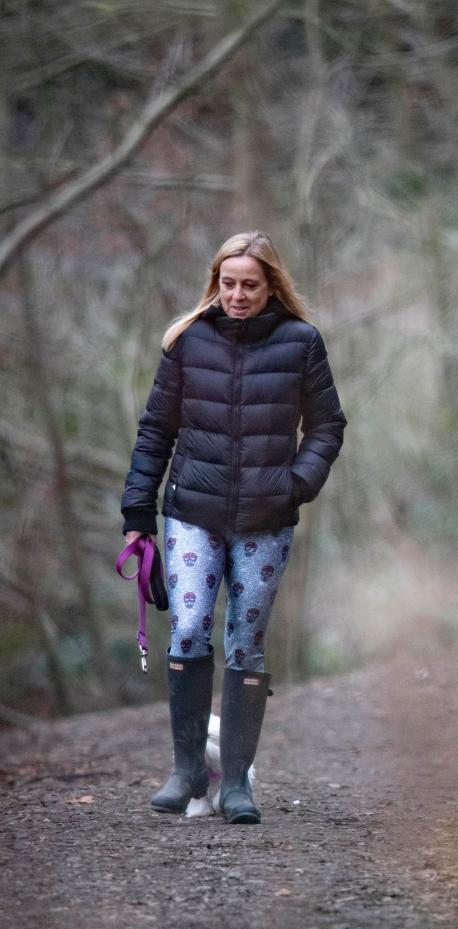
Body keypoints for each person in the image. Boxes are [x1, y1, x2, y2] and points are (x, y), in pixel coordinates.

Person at [121, 231, 346, 824]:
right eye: (228, 284)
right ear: (214, 283)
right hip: (192, 513)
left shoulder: (301, 343)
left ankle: (239, 781)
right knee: (189, 629)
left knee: (246, 640)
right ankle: (188, 768)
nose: (238, 295)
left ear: (271, 286)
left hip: (265, 519)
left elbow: (328, 425)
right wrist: (137, 515)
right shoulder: (186, 341)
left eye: (250, 285)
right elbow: (155, 431)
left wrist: (295, 484)